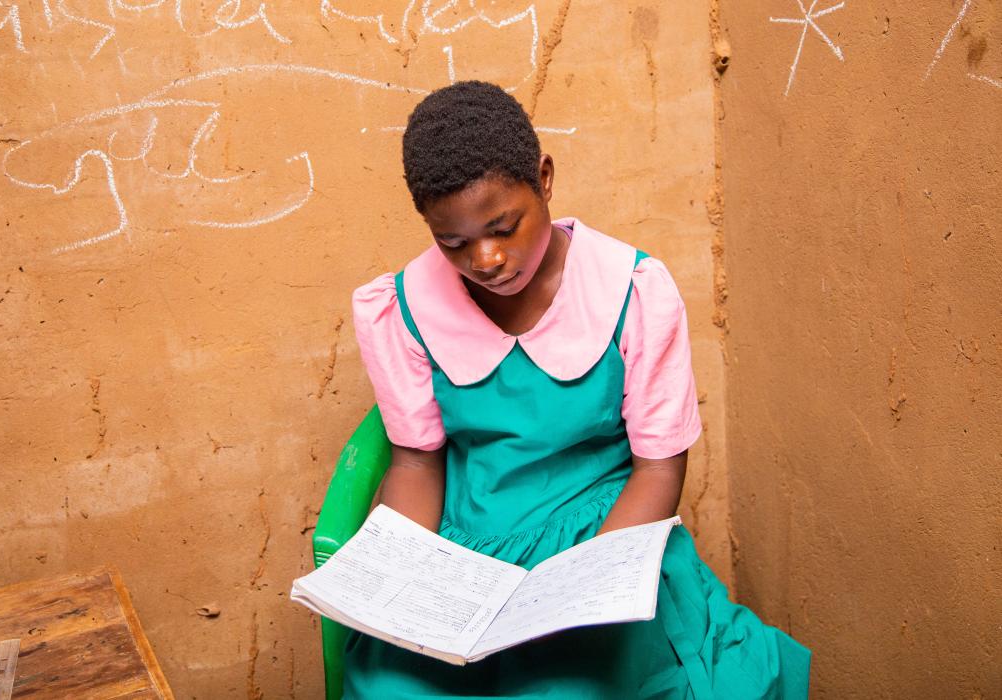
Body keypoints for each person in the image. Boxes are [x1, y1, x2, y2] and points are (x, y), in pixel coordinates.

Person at [345, 81, 810, 699]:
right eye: (452, 242)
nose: (485, 258)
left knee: (570, 687)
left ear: (544, 178)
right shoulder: (401, 307)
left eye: (504, 227)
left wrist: (585, 589)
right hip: (472, 547)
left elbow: (658, 471)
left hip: (606, 541)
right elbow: (415, 464)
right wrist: (394, 578)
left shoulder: (632, 290)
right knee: (388, 684)